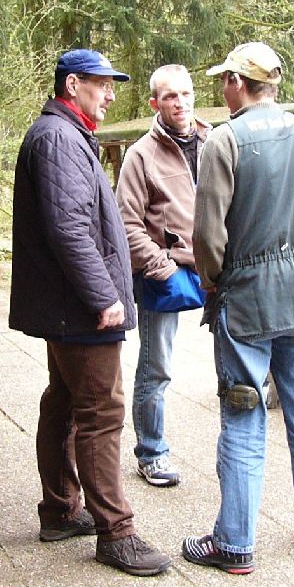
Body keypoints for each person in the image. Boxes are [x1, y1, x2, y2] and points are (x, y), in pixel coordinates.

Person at [182, 42, 294, 574]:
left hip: (246, 302)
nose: (221, 88)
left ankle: (234, 543)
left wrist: (215, 282)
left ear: (238, 83)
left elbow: (208, 235)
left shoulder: (224, 141)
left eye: (224, 79)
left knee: (243, 415)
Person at [9, 48, 172, 577]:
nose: (110, 94)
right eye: (102, 84)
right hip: (80, 309)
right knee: (102, 413)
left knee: (64, 403)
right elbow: (70, 229)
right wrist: (104, 296)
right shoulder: (59, 138)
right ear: (73, 84)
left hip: (68, 306)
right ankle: (116, 534)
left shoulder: (61, 133)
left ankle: (60, 510)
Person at [115, 65, 212, 488]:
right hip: (165, 275)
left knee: (235, 360)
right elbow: (126, 224)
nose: (181, 102)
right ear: (155, 103)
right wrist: (162, 266)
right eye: (171, 96)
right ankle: (151, 452)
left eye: (186, 93)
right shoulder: (141, 155)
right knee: (157, 368)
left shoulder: (216, 143)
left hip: (216, 271)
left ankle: (237, 446)